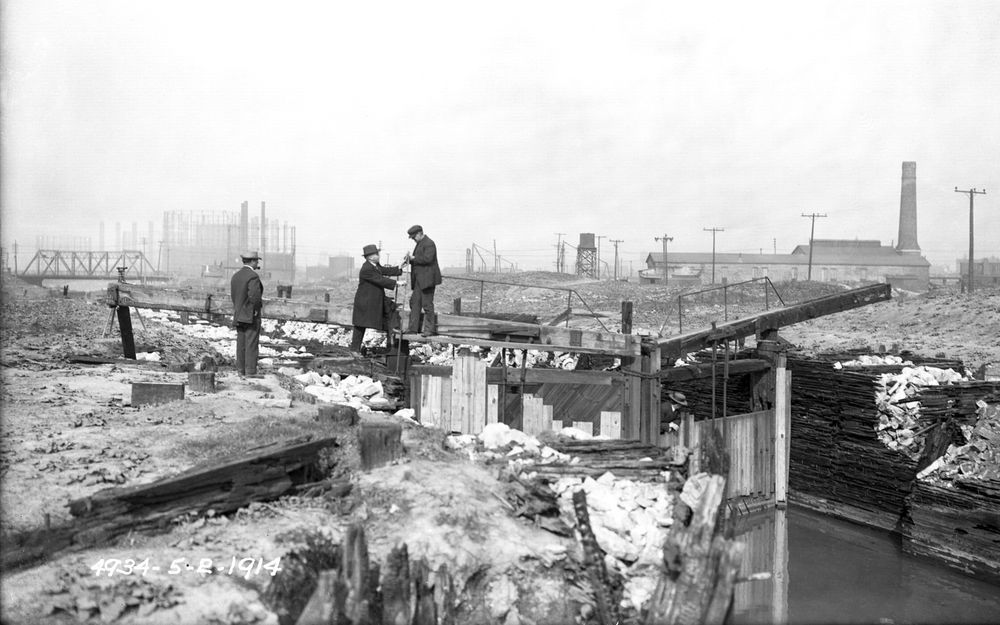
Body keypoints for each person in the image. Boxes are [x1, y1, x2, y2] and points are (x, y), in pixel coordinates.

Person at [351, 244, 405, 356]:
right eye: (376, 254)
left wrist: (399, 268)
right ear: (370, 257)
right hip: (365, 301)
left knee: (390, 310)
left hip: (373, 299)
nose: (378, 255)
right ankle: (354, 350)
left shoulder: (374, 266)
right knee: (360, 325)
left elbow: (384, 270)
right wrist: (396, 283)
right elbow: (379, 279)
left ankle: (391, 343)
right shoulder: (367, 268)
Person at [403, 225, 441, 335]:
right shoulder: (420, 243)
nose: (413, 239)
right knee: (415, 303)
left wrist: (414, 258)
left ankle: (430, 330)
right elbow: (420, 260)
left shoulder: (429, 243)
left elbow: (428, 259)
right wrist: (409, 260)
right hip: (420, 281)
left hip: (427, 280)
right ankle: (413, 329)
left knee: (427, 304)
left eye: (414, 237)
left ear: (420, 233)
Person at [231, 251, 264, 376]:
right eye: (257, 261)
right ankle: (250, 371)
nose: (258, 263)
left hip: (239, 314)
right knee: (251, 343)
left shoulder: (236, 276)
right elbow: (255, 296)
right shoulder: (253, 276)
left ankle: (241, 370)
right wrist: (255, 310)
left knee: (241, 343)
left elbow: (235, 296)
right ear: (253, 261)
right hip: (250, 316)